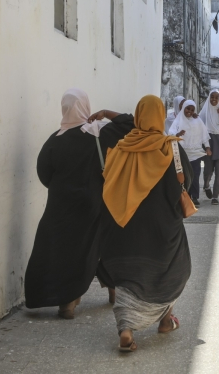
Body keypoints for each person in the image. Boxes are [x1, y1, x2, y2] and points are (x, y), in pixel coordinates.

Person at [93, 95, 193, 353]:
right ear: (160, 117)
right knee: (172, 268)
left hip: (124, 228)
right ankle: (166, 319)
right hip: (162, 230)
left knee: (129, 278)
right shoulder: (170, 148)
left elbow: (107, 184)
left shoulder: (120, 148)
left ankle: (126, 329)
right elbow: (186, 183)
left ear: (138, 116)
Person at [24, 88, 135, 319]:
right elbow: (132, 124)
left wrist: (62, 190)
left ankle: (67, 303)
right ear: (85, 106)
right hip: (95, 201)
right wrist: (105, 113)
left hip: (60, 205)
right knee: (99, 244)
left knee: (66, 250)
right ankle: (113, 291)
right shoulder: (100, 134)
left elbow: (43, 173)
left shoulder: (55, 139)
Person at [168, 100, 212, 207]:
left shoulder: (198, 121)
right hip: (182, 153)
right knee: (183, 176)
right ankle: (185, 196)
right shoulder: (178, 121)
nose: (190, 111)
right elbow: (170, 133)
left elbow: (204, 135)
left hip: (195, 153)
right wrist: (178, 134)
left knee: (195, 175)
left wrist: (207, 147)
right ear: (183, 108)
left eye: (192, 110)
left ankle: (195, 197)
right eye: (188, 109)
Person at [200, 89, 219, 205]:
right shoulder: (204, 112)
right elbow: (199, 127)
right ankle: (206, 185)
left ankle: (215, 196)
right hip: (208, 143)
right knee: (208, 170)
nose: (214, 99)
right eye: (212, 97)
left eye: (216, 97)